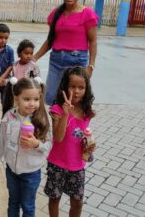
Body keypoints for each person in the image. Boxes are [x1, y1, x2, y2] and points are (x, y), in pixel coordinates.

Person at [0, 78, 52, 217]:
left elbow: (49, 145)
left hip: (31, 173)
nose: (32, 103)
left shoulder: (41, 120)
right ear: (16, 98)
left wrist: (36, 144)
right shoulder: (9, 117)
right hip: (12, 171)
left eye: (36, 99)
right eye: (27, 99)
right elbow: (1, 140)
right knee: (13, 202)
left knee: (28, 205)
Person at [33, 0, 98, 106]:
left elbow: (93, 41)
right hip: (56, 60)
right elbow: (50, 40)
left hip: (77, 61)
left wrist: (91, 66)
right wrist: (35, 58)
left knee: (73, 98)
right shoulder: (56, 13)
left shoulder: (87, 14)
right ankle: (56, 125)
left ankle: (72, 126)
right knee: (51, 97)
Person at [44, 67, 96, 217]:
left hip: (77, 165)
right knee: (54, 199)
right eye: (73, 86)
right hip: (57, 164)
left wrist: (89, 144)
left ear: (87, 89)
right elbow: (58, 138)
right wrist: (66, 113)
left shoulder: (86, 112)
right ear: (65, 87)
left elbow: (82, 135)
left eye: (81, 87)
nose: (77, 91)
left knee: (78, 202)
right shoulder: (57, 109)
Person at [2, 39, 41, 115]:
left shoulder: (34, 66)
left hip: (28, 92)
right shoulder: (14, 65)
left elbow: (38, 79)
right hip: (16, 92)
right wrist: (5, 81)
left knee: (27, 110)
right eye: (26, 53)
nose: (29, 56)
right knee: (16, 109)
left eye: (31, 53)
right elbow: (12, 78)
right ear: (19, 54)